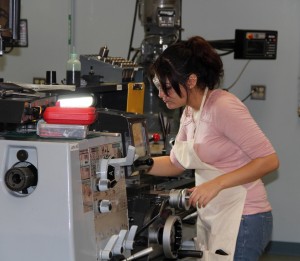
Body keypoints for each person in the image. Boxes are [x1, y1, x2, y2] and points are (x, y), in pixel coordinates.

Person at [147, 36, 279, 261]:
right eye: (159, 86)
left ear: (190, 80)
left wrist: (216, 184)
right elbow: (175, 163)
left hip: (245, 217)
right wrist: (139, 165)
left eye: (166, 86)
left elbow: (269, 160)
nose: (160, 94)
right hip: (216, 215)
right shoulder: (189, 112)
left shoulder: (222, 106)